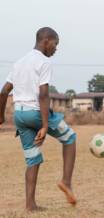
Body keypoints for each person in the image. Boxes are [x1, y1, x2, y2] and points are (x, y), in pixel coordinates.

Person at [0, 27, 77, 211]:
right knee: (70, 138)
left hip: (19, 115)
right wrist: (44, 125)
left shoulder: (19, 63)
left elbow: (4, 91)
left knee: (32, 159)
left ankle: (30, 204)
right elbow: (43, 95)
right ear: (46, 41)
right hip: (36, 113)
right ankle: (66, 182)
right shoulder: (43, 62)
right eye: (55, 44)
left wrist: (1, 116)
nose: (55, 49)